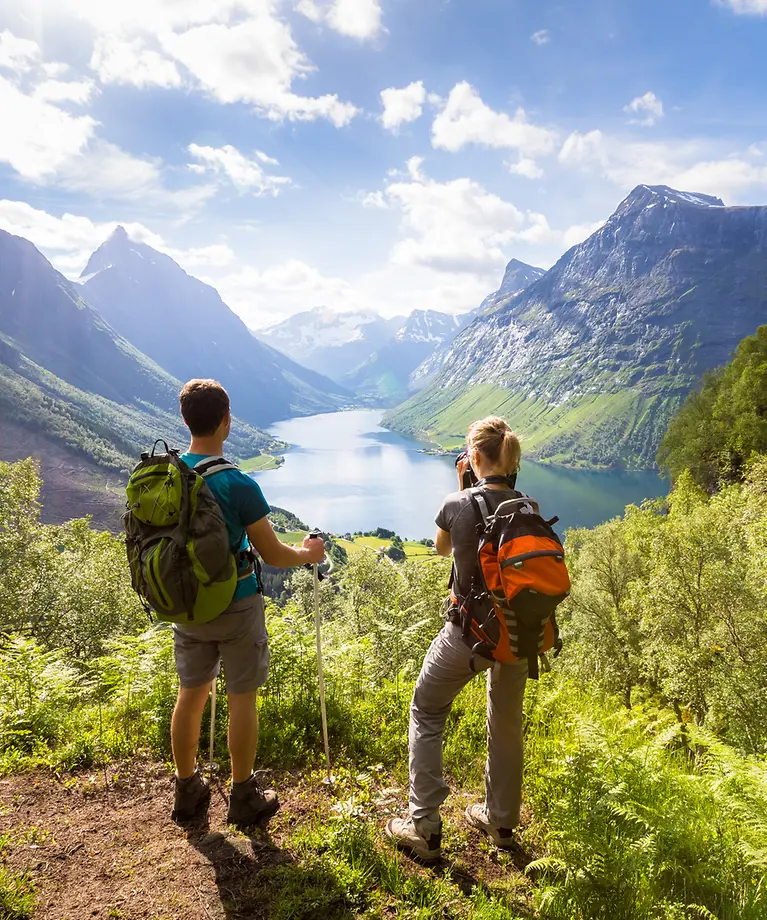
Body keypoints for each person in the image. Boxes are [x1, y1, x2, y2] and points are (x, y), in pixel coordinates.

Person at [170, 379, 325, 827]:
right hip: (236, 603)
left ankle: (186, 790)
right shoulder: (238, 482)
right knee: (242, 698)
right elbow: (274, 555)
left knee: (190, 694)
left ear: (185, 420)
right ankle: (242, 796)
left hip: (186, 603)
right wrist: (309, 554)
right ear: (226, 421)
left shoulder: (168, 475)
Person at [385, 416, 530, 861]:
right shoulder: (528, 506)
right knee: (506, 723)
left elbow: (442, 547)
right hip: (518, 635)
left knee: (427, 710)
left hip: (468, 635)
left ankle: (424, 826)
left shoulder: (457, 502)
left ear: (476, 457)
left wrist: (464, 485)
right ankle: (501, 823)